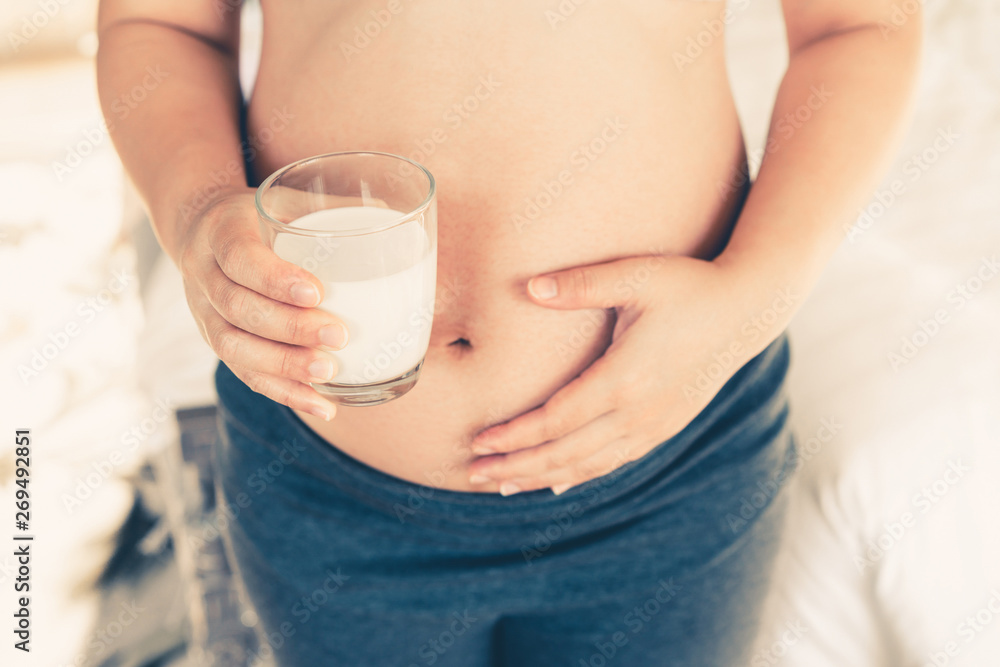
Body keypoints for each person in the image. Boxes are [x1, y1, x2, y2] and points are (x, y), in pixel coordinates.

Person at [96, 0, 922, 664]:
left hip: (673, 484)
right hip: (326, 486)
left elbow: (860, 25)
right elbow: (160, 23)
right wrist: (198, 208)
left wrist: (753, 296)